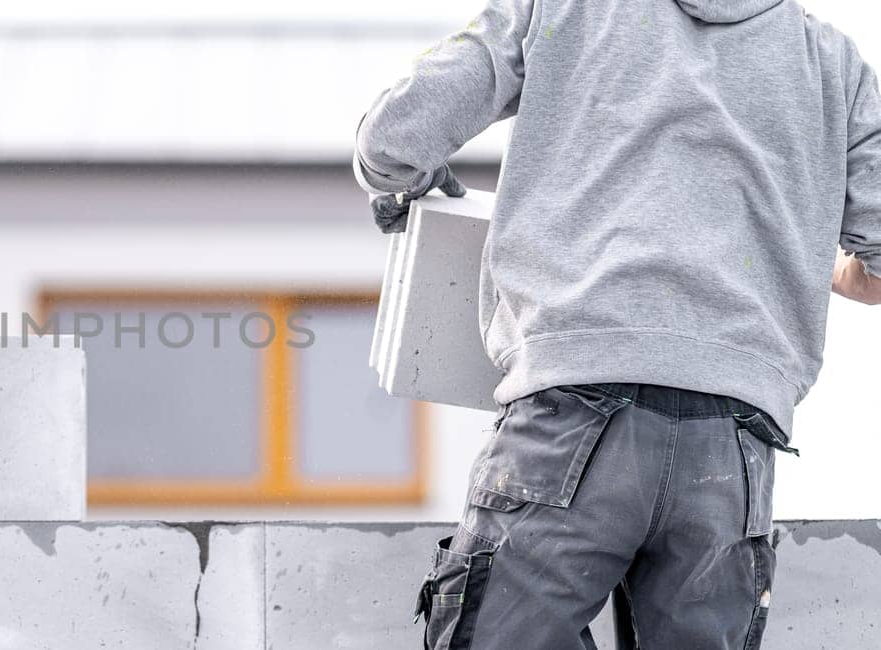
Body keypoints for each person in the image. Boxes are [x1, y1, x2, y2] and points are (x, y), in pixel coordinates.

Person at [353, 0, 881, 648]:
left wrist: (405, 181)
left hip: (574, 418)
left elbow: (392, 138)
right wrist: (803, 264)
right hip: (732, 453)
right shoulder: (834, 65)